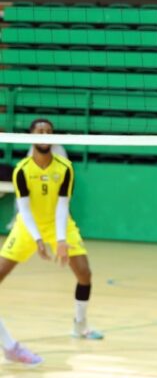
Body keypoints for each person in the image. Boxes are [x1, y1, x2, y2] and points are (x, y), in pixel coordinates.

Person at [0, 118, 103, 342]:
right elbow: (24, 211)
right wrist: (38, 239)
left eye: (48, 131)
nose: (44, 134)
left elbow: (62, 205)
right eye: (40, 131)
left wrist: (60, 240)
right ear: (31, 136)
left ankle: (80, 325)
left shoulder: (65, 168)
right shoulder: (21, 170)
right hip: (28, 227)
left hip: (60, 223)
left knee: (84, 273)